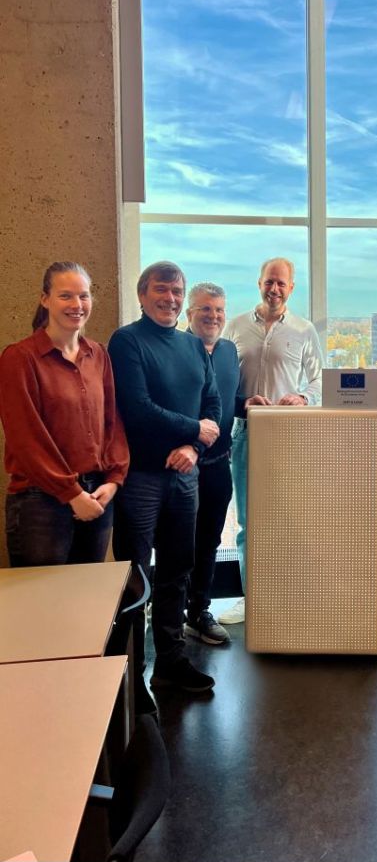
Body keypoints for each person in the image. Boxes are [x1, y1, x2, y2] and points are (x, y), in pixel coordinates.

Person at [109, 261, 222, 699]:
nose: (170, 298)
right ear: (142, 295)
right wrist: (193, 429)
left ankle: (170, 663)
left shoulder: (194, 345)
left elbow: (212, 405)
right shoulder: (126, 341)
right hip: (141, 479)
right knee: (135, 579)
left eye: (177, 291)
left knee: (177, 572)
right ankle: (132, 675)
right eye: (161, 289)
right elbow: (136, 409)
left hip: (185, 477)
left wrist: (194, 448)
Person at [0, 261, 129, 566]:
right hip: (40, 503)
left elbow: (112, 424)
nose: (77, 305)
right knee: (43, 595)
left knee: (87, 592)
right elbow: (25, 438)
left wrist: (113, 480)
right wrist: (71, 493)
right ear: (45, 299)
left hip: (97, 494)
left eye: (84, 296)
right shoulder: (20, 358)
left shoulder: (98, 354)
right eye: (65, 296)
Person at [219, 257, 323, 625]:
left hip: (288, 435)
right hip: (246, 432)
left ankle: (287, 596)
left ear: (291, 288)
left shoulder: (304, 330)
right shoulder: (234, 327)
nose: (274, 289)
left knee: (289, 520)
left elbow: (319, 380)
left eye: (281, 283)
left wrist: (303, 397)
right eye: (269, 282)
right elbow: (220, 379)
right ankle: (252, 598)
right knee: (249, 523)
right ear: (259, 283)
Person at [183, 282, 240, 646]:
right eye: (205, 308)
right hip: (182, 466)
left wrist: (251, 402)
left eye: (219, 309)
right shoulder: (177, 349)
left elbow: (228, 397)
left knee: (208, 542)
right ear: (189, 313)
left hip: (218, 464)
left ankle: (198, 612)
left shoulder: (229, 350)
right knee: (177, 543)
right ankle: (170, 613)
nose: (213, 316)